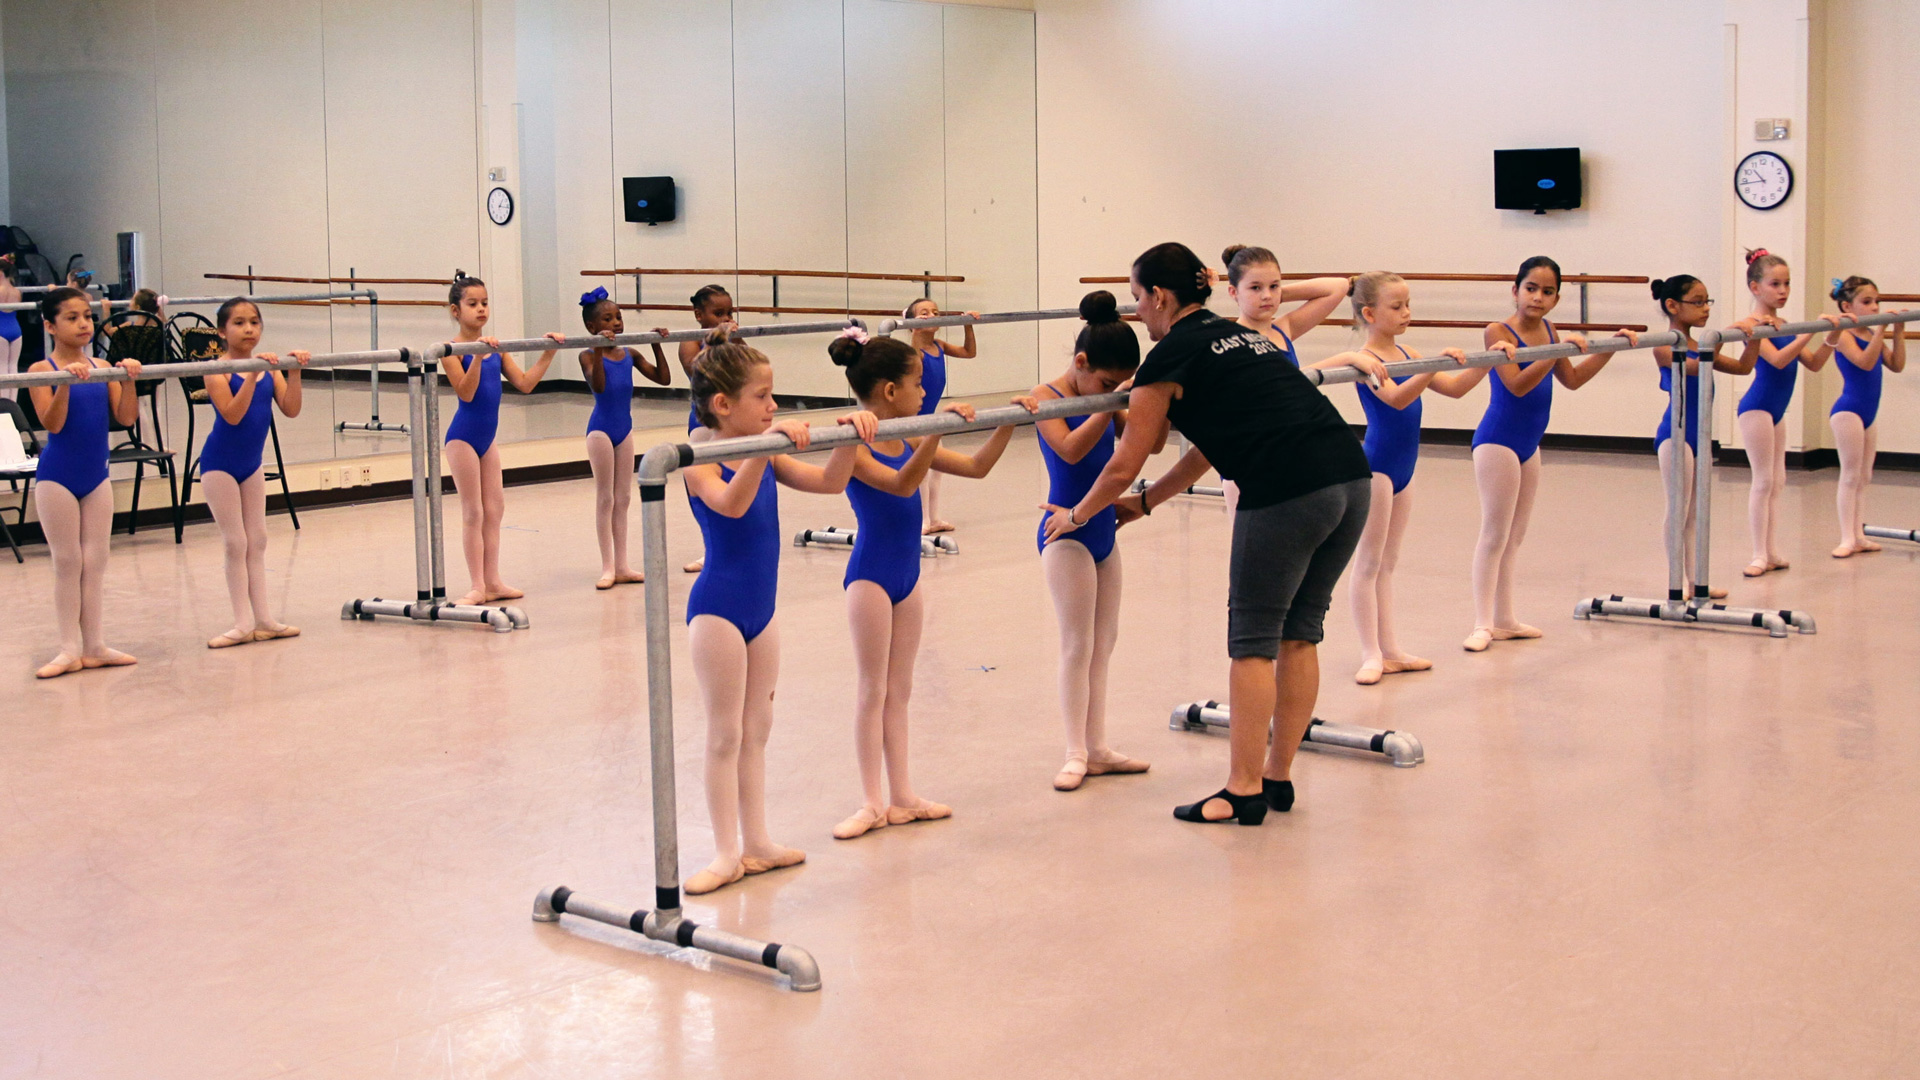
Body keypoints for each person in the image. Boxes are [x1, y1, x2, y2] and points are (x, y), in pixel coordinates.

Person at [1043, 242, 1373, 825]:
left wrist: (1076, 516)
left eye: (1139, 297)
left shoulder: (1167, 359)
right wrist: (1145, 504)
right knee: (1301, 634)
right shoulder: (1241, 337)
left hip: (1285, 492)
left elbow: (1121, 462)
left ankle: (1241, 789)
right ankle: (1277, 778)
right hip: (1350, 478)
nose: (1137, 309)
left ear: (1162, 297)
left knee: (1252, 642)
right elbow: (1204, 450)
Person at [680, 328, 876, 895]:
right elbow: (730, 504)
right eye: (762, 398)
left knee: (758, 730)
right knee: (724, 735)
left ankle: (757, 840)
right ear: (723, 406)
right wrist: (766, 447)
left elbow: (829, 482)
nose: (774, 407)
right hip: (716, 611)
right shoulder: (701, 459)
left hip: (762, 613)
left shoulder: (761, 454)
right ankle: (724, 852)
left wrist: (849, 438)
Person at [825, 329, 1027, 840]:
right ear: (891, 390)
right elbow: (900, 484)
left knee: (902, 690)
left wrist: (1009, 419)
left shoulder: (912, 434)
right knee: (872, 691)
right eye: (918, 384)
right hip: (870, 577)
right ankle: (871, 801)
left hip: (907, 577)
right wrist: (936, 430)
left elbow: (978, 468)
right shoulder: (855, 441)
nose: (925, 392)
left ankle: (903, 795)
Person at [1317, 273, 1478, 685]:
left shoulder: (1408, 350)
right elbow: (1397, 396)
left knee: (1388, 564)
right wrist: (1431, 367)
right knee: (1368, 564)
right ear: (1369, 313)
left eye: (1408, 305)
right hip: (1377, 471)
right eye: (1397, 306)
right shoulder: (1368, 359)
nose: (1406, 313)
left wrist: (1483, 361)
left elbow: (1456, 388)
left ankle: (1391, 650)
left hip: (1405, 470)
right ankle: (1370, 653)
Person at [1032, 292, 1160, 791]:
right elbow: (1068, 449)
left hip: (1104, 528)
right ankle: (1074, 749)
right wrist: (1109, 406)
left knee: (1104, 644)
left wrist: (1139, 404)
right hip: (1065, 533)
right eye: (1106, 384)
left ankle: (1098, 745)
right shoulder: (1044, 397)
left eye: (1117, 386)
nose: (1111, 392)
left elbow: (1144, 444)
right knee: (1076, 644)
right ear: (1080, 364)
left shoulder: (1106, 398)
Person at [1464, 256, 1624, 653]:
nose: (1538, 297)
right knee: (1494, 533)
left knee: (1515, 536)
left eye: (1547, 291)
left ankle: (1504, 618)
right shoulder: (1497, 331)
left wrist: (1608, 350)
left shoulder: (1550, 330)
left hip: (1529, 445)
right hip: (1497, 441)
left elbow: (1570, 380)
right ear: (1515, 290)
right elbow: (1516, 384)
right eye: (1531, 288)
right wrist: (1553, 351)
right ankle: (1482, 622)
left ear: (1556, 297)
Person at [26, 287, 143, 678]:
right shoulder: (41, 371)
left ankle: (94, 645)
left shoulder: (102, 365)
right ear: (49, 325)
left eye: (87, 317)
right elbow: (52, 423)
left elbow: (126, 419)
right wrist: (66, 383)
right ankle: (67, 648)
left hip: (97, 476)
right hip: (57, 477)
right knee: (68, 561)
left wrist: (127, 380)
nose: (83, 324)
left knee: (96, 561)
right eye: (72, 318)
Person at [440, 271, 562, 605]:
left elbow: (524, 384)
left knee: (495, 509)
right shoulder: (451, 351)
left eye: (485, 303)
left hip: (486, 440)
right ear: (455, 311)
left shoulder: (498, 349)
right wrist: (478, 356)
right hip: (462, 439)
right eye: (472, 304)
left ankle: (493, 581)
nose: (481, 309)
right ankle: (476, 585)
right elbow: (465, 394)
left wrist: (548, 352)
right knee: (473, 512)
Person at [199, 298, 312, 648]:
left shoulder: (271, 368)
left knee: (258, 540)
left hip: (251, 465)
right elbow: (232, 415)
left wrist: (293, 371)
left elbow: (291, 409)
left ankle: (264, 618)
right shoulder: (216, 368)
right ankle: (241, 622)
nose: (249, 329)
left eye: (254, 323)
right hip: (219, 464)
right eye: (239, 323)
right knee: (236, 542)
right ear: (222, 332)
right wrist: (249, 376)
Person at [1647, 274, 1765, 599]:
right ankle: (1676, 580)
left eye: (1707, 301)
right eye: (1697, 302)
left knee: (1697, 512)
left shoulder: (1702, 345)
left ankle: (1696, 579)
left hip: (1699, 436)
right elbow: (1697, 366)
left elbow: (1743, 368)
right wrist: (1722, 338)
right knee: (1678, 509)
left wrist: (1752, 337)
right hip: (1675, 435)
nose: (1705, 309)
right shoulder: (1663, 344)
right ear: (1672, 305)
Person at [1735, 249, 1834, 576]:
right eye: (1775, 284)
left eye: (1787, 284)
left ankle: (1771, 550)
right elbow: (1778, 360)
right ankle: (1757, 554)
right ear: (1755, 287)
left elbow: (1814, 363)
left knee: (1778, 482)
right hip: (1757, 408)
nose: (1783, 291)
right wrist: (1811, 330)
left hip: (1776, 411)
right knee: (1762, 481)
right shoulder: (1750, 325)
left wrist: (1831, 336)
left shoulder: (1785, 325)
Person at [577, 287, 671, 590]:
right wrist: (600, 350)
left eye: (618, 317)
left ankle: (623, 565)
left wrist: (656, 345)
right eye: (607, 318)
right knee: (605, 498)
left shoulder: (630, 353)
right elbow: (600, 387)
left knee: (625, 498)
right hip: (601, 432)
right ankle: (607, 567)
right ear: (592, 328)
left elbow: (663, 378)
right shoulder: (586, 355)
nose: (616, 323)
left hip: (624, 430)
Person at [1826, 276, 1908, 558]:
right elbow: (1865, 362)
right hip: (1848, 411)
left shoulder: (1870, 335)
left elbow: (1896, 365)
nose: (1875, 307)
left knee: (1865, 475)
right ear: (1848, 306)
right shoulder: (1846, 335)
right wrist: (1881, 330)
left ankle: (1859, 535)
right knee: (1849, 475)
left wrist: (1897, 332)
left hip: (1868, 413)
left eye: (1877, 301)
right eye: (1867, 302)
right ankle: (1846, 537)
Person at [901, 297, 978, 535]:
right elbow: (911, 364)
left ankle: (933, 518)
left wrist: (967, 324)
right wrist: (913, 327)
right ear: (913, 322)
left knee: (937, 472)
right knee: (922, 472)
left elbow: (969, 353)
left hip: (931, 418)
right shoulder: (916, 351)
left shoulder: (940, 346)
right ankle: (922, 521)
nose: (933, 315)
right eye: (925, 313)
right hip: (915, 421)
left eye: (935, 312)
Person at [678, 284, 739, 574]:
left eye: (729, 311)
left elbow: (748, 366)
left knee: (732, 481)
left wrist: (734, 341)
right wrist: (718, 341)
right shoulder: (690, 341)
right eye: (718, 313)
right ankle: (710, 547)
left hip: (732, 421)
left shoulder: (734, 339)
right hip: (702, 421)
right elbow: (697, 370)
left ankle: (731, 544)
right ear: (698, 314)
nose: (725, 317)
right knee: (699, 486)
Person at [0, 255, 24, 377]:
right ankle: (12, 397)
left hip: (1, 331)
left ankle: (2, 397)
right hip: (15, 330)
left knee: (2, 367)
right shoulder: (17, 292)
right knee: (13, 367)